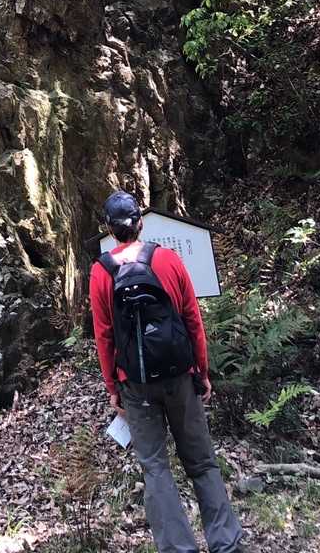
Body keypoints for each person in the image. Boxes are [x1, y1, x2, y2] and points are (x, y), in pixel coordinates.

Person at [90, 191, 243, 553]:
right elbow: (192, 319)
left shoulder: (101, 272)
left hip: (136, 385)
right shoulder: (168, 259)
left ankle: (178, 548)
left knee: (155, 468)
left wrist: (113, 386)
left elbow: (104, 335)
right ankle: (225, 543)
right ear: (140, 224)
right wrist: (201, 371)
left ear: (109, 230)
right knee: (202, 461)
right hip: (180, 376)